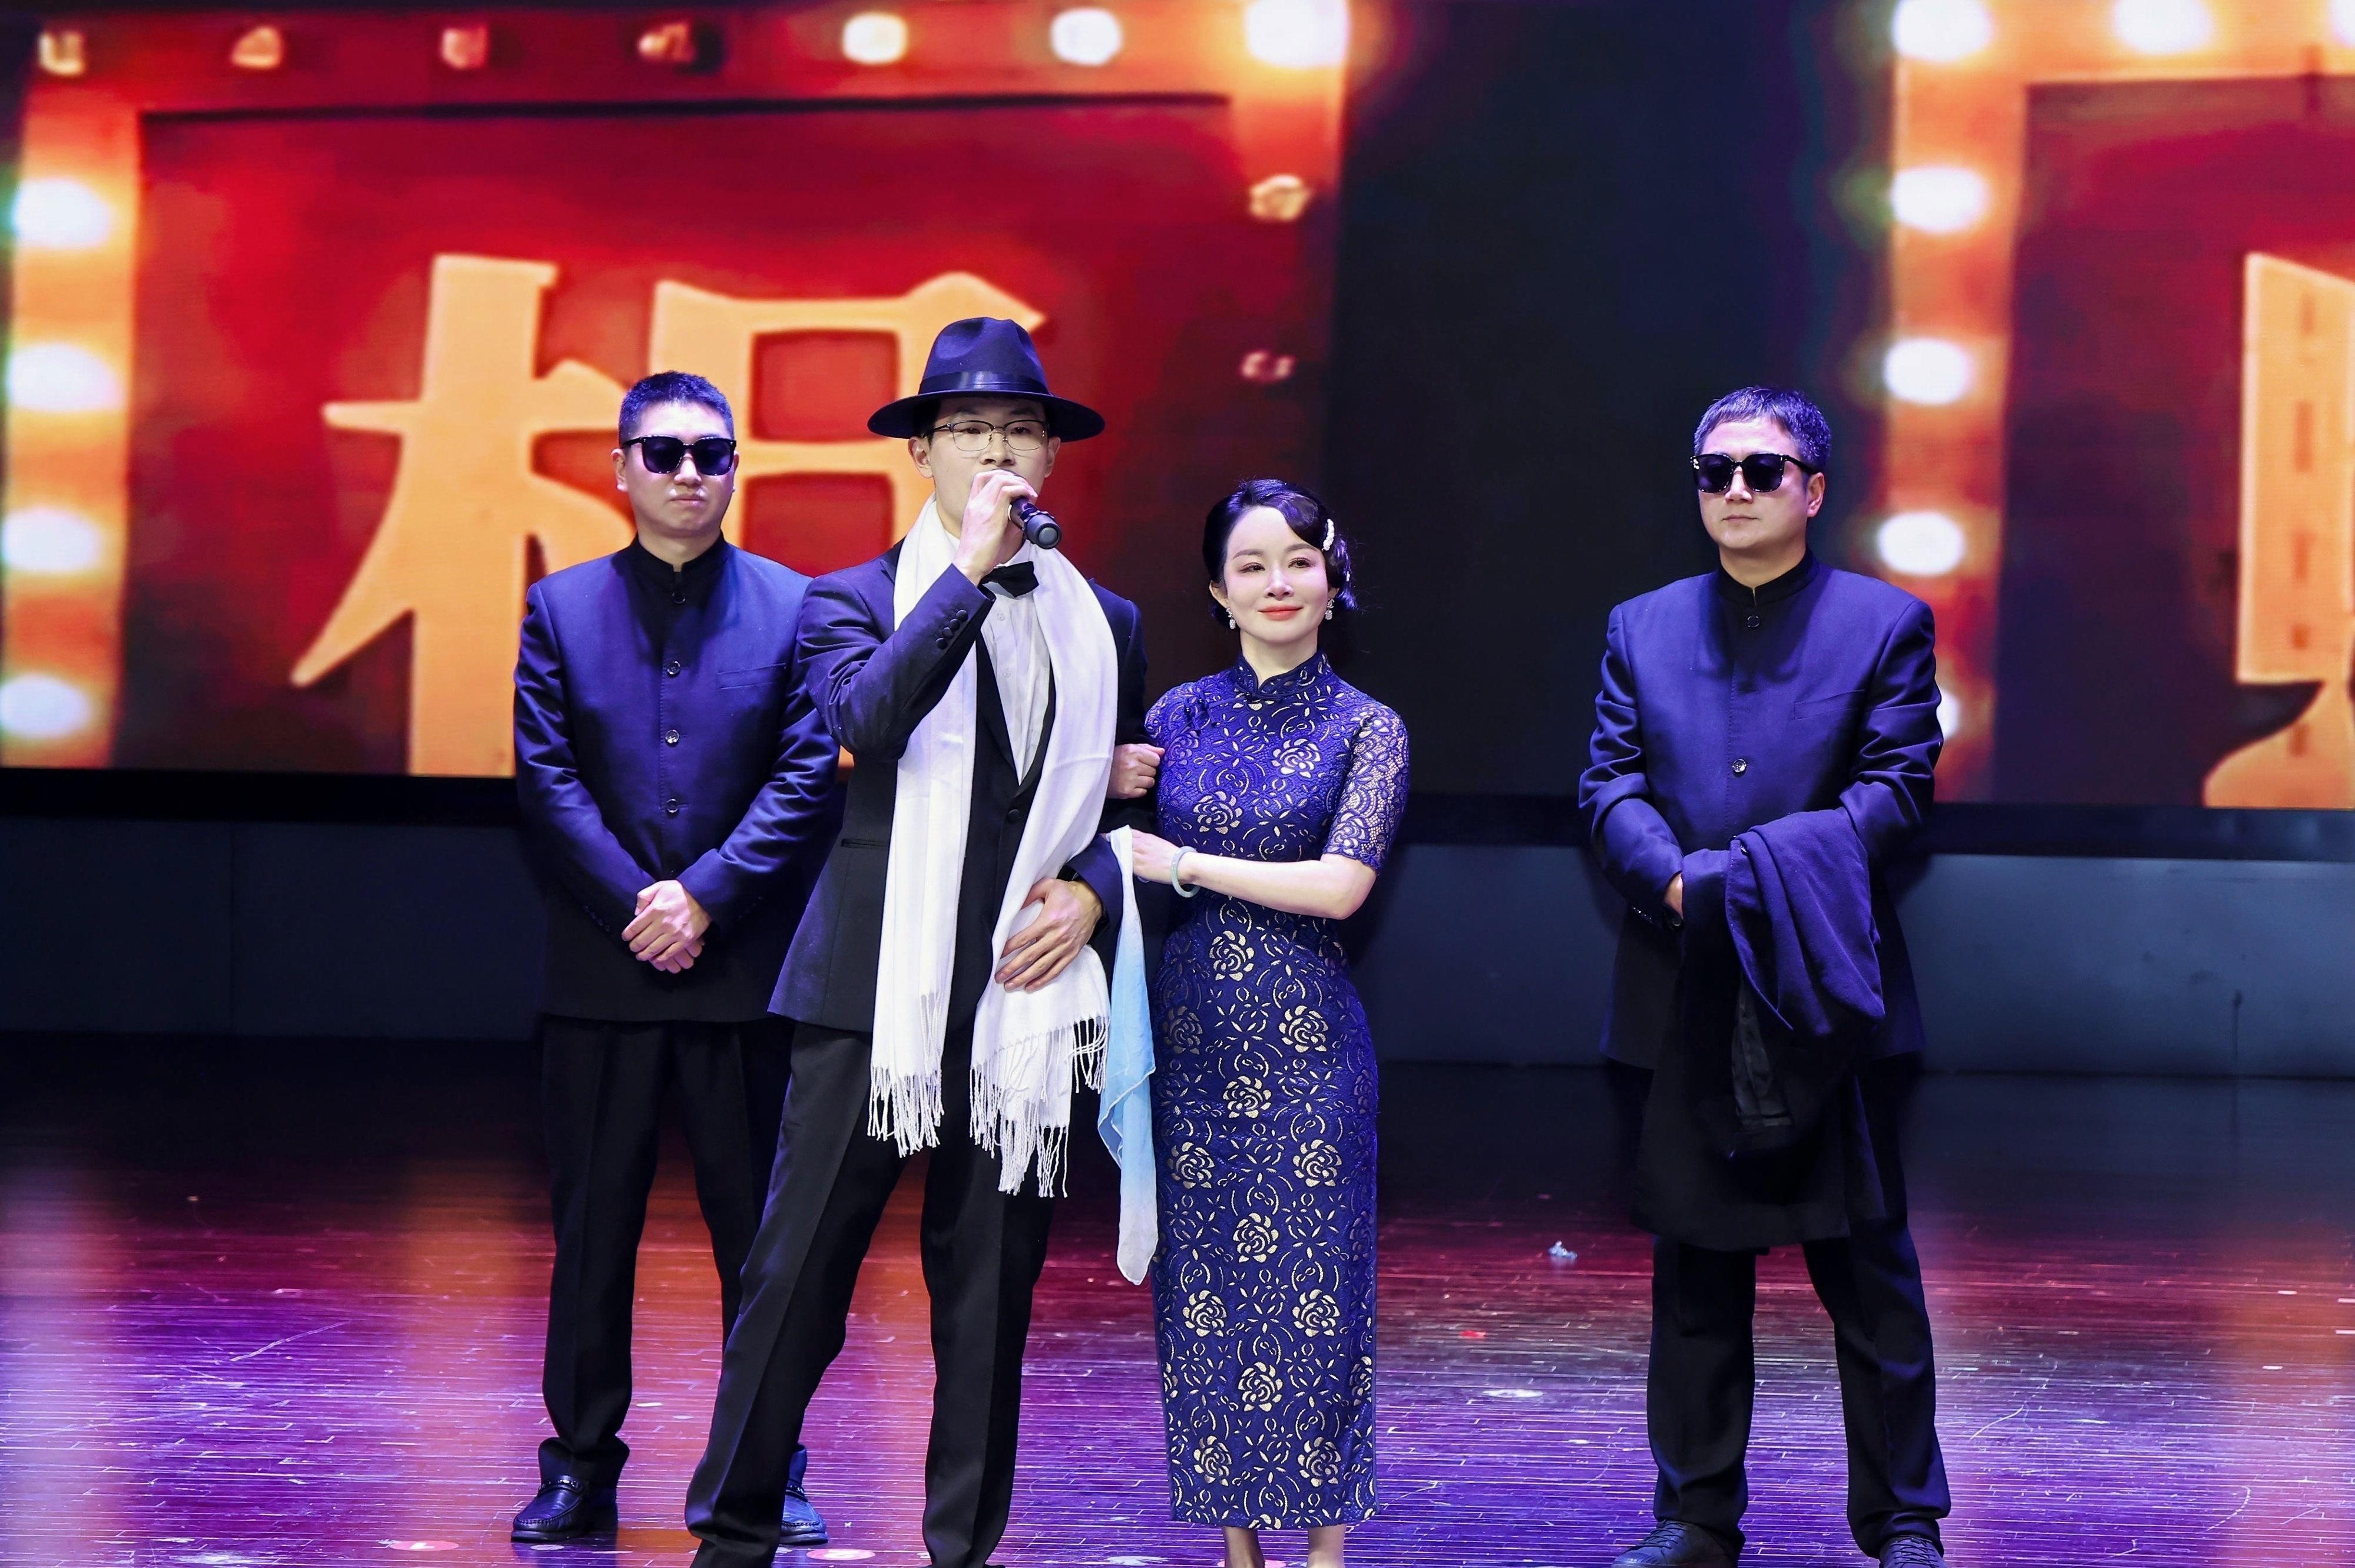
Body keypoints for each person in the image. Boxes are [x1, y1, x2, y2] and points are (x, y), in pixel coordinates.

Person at [682, 318, 1151, 1568]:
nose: (996, 451)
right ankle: (733, 1533)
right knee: (795, 1278)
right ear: (922, 454)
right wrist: (969, 576)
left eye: (1019, 431)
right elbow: (867, 719)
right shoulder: (848, 599)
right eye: (969, 431)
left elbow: (1123, 810)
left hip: (1023, 999)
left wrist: (1094, 889)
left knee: (988, 1299)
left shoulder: (1105, 620)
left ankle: (961, 1549)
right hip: (871, 996)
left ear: (1051, 456)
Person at [1578, 388, 1954, 1568]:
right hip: (1682, 978)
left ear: (1813, 488)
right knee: (1695, 1269)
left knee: (1868, 1268)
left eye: (1761, 469)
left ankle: (1902, 1517)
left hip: (1827, 988)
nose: (1733, 489)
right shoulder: (1640, 626)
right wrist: (1678, 885)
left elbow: (1895, 790)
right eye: (1713, 471)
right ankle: (1694, 1518)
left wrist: (1742, 880)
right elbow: (1607, 784)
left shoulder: (1883, 624)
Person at [510, 372, 838, 1544]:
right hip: (603, 976)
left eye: (713, 452)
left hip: (744, 972)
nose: (690, 473)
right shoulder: (559, 607)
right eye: (664, 452)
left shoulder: (798, 606)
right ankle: (579, 1466)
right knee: (592, 1235)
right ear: (621, 468)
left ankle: (767, 1463)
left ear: (736, 466)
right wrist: (639, 905)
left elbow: (807, 774)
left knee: (760, 1242)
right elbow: (546, 780)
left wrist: (703, 897)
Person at [1126, 479, 1408, 1568]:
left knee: (1318, 1301)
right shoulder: (1173, 719)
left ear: (1332, 581)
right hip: (1190, 1045)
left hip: (1309, 1053)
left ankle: (1324, 1550)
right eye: (1251, 565)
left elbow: (1340, 888)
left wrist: (1185, 863)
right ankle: (1238, 1548)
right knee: (1203, 1297)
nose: (1277, 582)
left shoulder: (1368, 727)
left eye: (1298, 560)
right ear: (1217, 590)